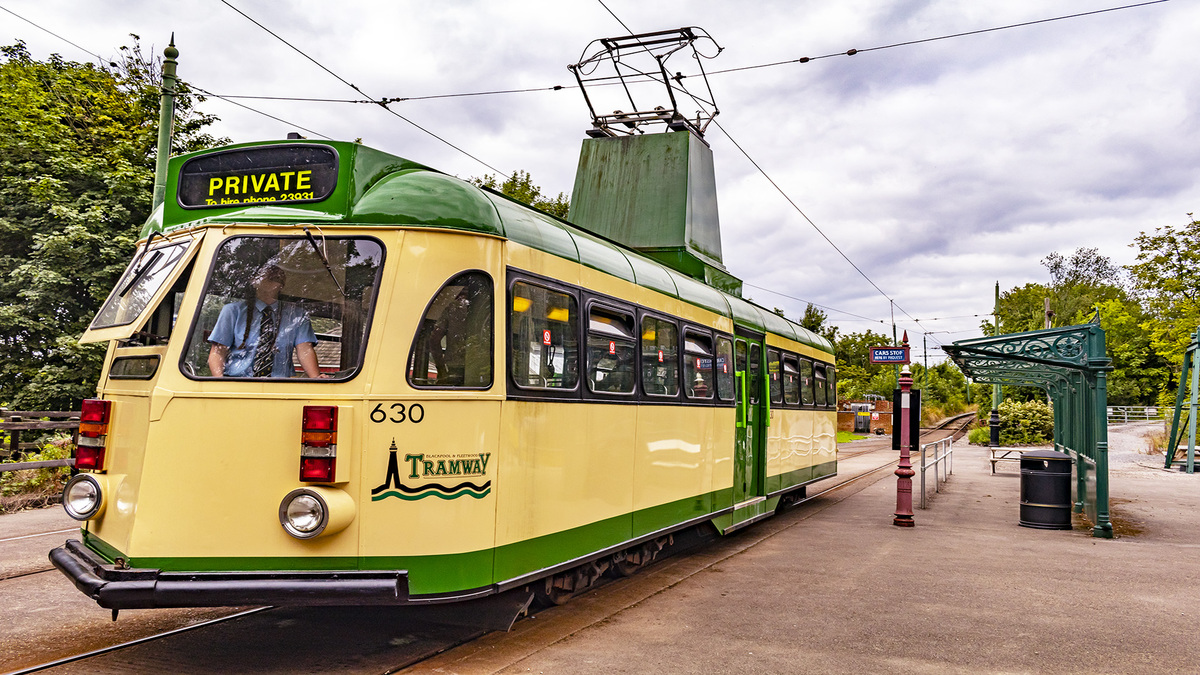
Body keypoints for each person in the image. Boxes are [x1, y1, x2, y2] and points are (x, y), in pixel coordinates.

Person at [207, 265, 324, 378]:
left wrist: (315, 377)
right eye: (264, 276)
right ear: (254, 282)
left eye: (275, 278)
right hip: (237, 382)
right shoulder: (233, 311)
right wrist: (220, 382)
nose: (269, 281)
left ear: (282, 285)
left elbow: (305, 349)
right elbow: (218, 352)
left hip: (278, 385)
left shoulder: (297, 315)